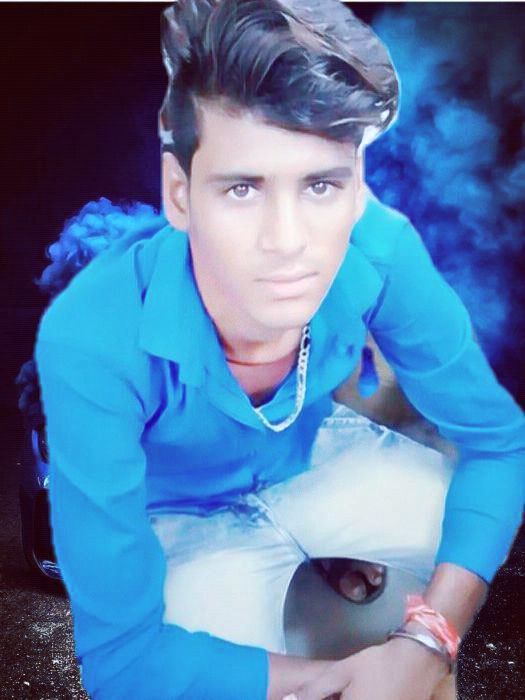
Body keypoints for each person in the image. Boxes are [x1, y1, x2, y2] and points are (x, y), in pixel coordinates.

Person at [34, 1, 525, 699]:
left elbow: (500, 445)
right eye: (242, 187)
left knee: (464, 520)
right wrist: (351, 679)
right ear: (180, 193)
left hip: (310, 459)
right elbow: (122, 661)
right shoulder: (91, 333)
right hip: (175, 510)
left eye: (321, 184)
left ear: (356, 187)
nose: (287, 241)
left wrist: (426, 641)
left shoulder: (379, 248)